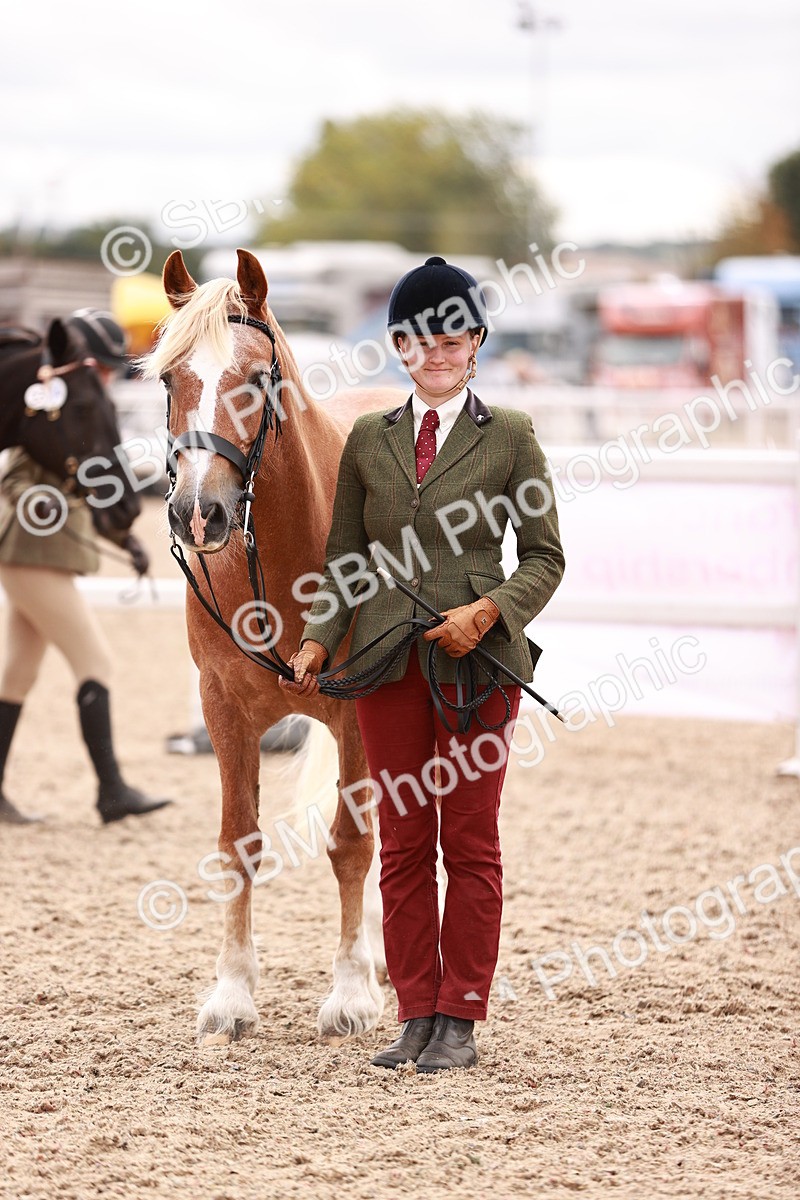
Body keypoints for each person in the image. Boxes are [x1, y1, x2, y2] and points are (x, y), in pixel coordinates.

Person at [280, 256, 565, 1072]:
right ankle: (416, 1012)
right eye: (417, 337)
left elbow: (544, 558)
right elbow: (344, 562)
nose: (435, 350)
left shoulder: (510, 434)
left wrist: (487, 613)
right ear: (399, 345)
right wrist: (314, 639)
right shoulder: (369, 438)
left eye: (452, 335)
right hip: (384, 664)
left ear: (475, 342)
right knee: (402, 842)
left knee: (469, 839)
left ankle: (462, 1014)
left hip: (478, 666)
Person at [0, 309, 171, 826]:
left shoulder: (76, 407)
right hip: (31, 554)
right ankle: (111, 790)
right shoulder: (51, 411)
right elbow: (34, 485)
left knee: (18, 673)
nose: (106, 378)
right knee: (95, 660)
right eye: (103, 366)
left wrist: (120, 533)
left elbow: (89, 484)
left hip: (40, 556)